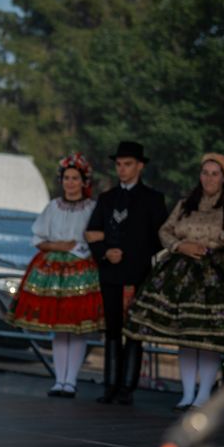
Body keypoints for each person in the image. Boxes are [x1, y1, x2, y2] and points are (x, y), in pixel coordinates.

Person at [125, 153, 224, 409]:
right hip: (180, 272)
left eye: (215, 174)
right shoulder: (185, 204)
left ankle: (204, 395)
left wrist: (211, 246)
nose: (209, 178)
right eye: (205, 173)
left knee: (207, 337)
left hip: (213, 275)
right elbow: (164, 230)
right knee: (185, 335)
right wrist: (180, 246)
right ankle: (188, 393)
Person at [8, 153, 103, 398]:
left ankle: (71, 381)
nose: (70, 183)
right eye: (67, 178)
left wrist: (77, 247)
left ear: (84, 181)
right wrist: (60, 246)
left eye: (75, 178)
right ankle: (59, 380)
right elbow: (39, 239)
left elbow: (97, 237)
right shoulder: (53, 207)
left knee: (77, 327)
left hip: (82, 271)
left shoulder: (92, 208)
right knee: (60, 328)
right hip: (54, 270)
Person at [84, 141, 169, 405]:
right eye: (119, 164)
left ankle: (127, 388)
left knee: (133, 330)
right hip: (110, 273)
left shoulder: (153, 199)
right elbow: (92, 232)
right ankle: (110, 385)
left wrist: (134, 255)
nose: (122, 169)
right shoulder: (107, 198)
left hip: (138, 274)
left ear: (140, 166)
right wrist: (105, 252)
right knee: (112, 329)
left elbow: (161, 238)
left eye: (128, 164)